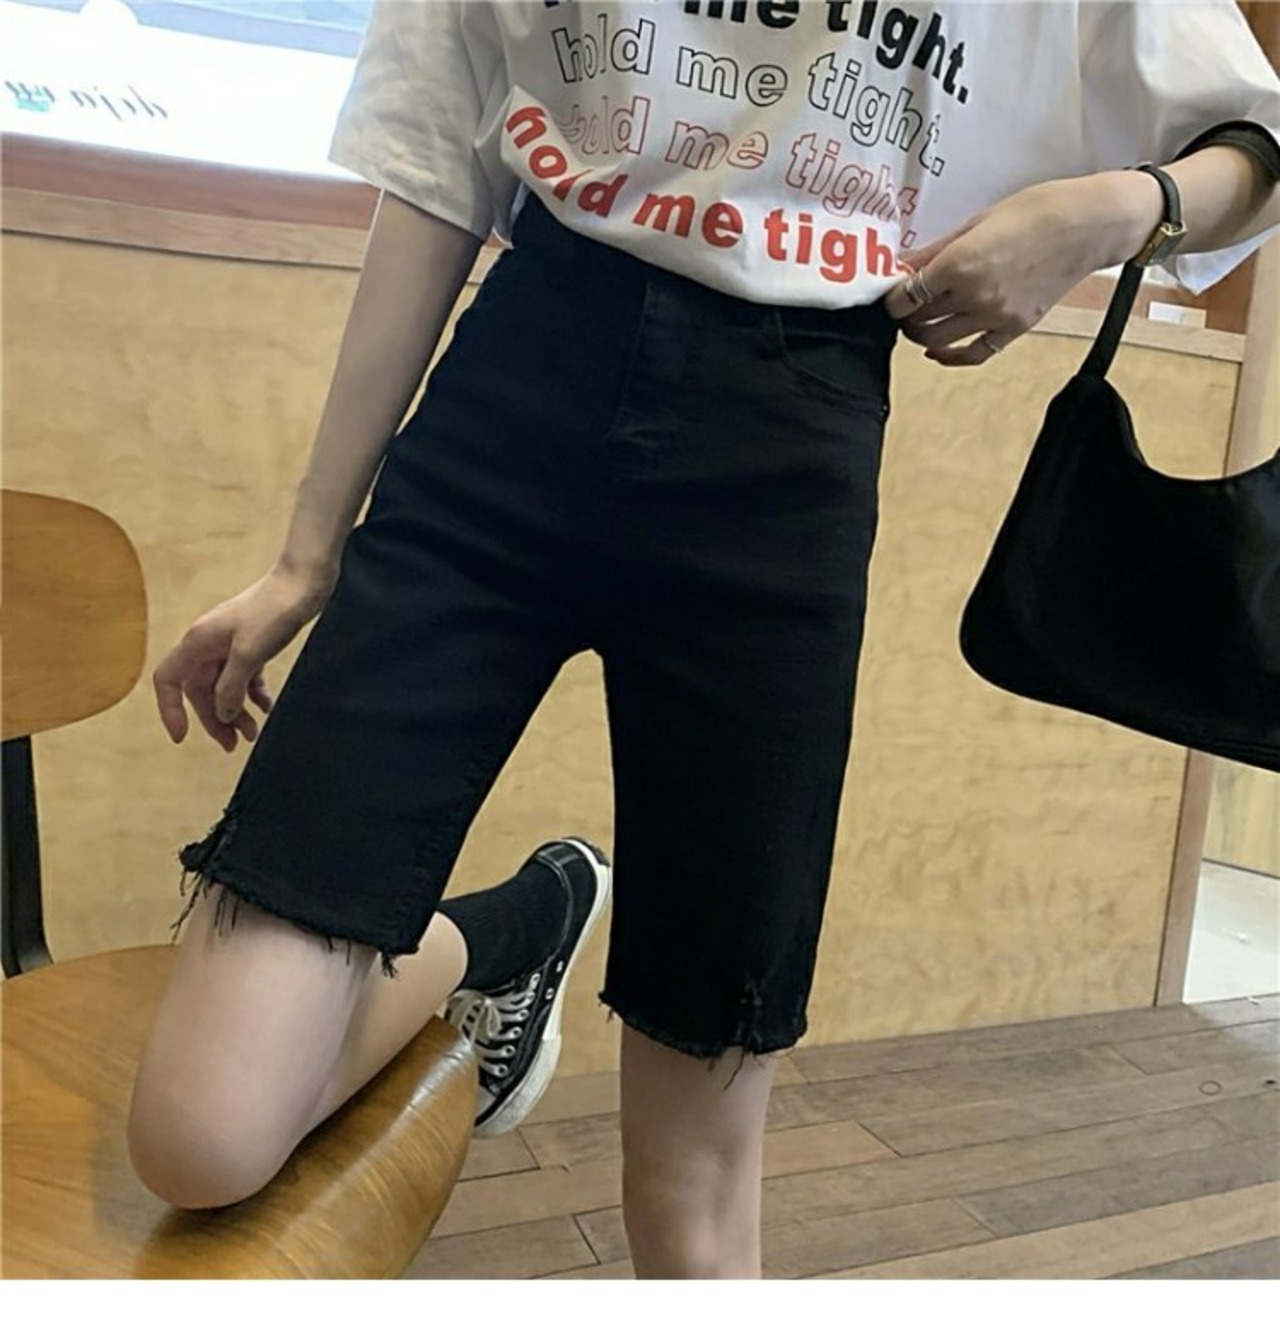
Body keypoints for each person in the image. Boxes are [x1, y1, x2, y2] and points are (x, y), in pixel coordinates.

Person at [127, 0, 1280, 1278]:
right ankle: (502, 936)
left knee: (691, 1193)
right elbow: (435, 158)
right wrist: (305, 554)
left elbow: (1255, 144)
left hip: (784, 457)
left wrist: (1113, 210)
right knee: (199, 1137)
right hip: (507, 407)